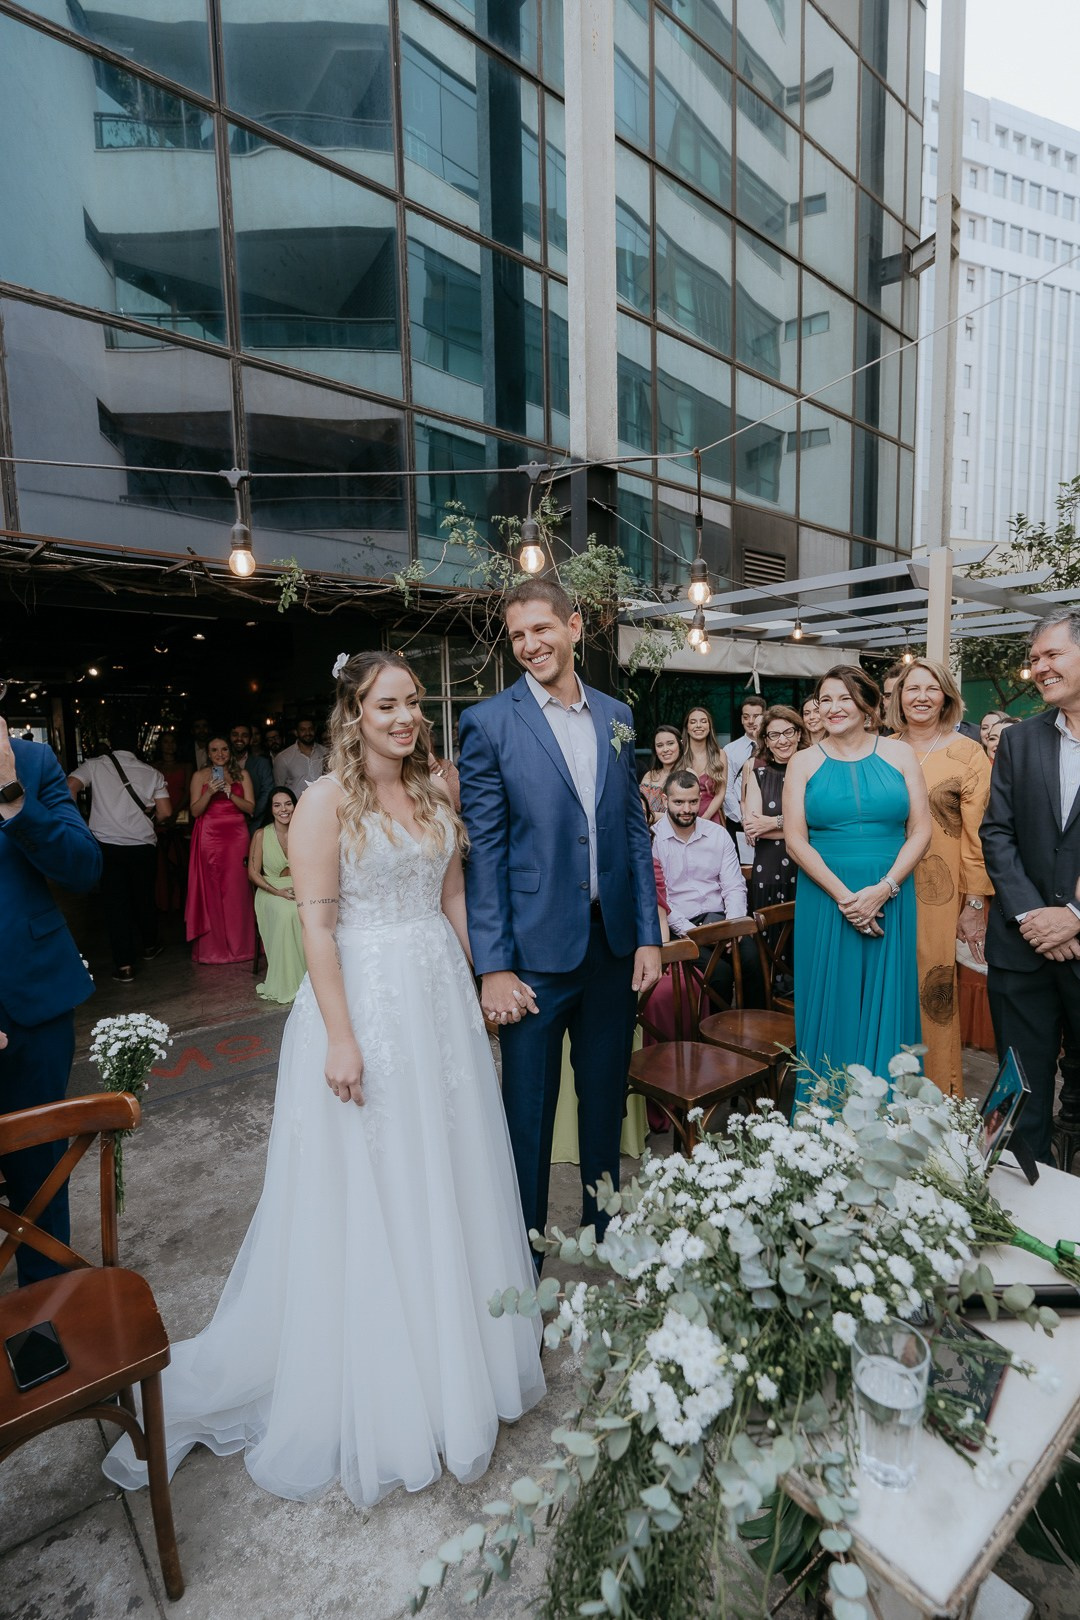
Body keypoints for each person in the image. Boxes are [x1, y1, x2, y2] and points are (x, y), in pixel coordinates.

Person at [103, 651, 544, 1504]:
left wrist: (482, 976)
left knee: (448, 1172)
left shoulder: (432, 792)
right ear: (353, 713)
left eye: (413, 703)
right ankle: (391, 1381)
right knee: (373, 1187)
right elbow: (317, 929)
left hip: (438, 1007)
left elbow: (454, 897)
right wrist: (342, 1038)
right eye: (387, 705)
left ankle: (461, 1361)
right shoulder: (322, 803)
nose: (405, 718)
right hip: (366, 1007)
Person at [457, 579, 661, 1246]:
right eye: (517, 636)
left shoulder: (616, 715)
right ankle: (527, 1257)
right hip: (533, 960)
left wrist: (648, 937)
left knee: (603, 1101)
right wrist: (493, 966)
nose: (529, 645)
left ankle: (603, 1230)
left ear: (575, 627)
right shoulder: (488, 723)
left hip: (612, 948)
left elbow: (634, 830)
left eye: (541, 629)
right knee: (529, 1116)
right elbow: (483, 856)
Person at [784, 665, 931, 1106]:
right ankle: (826, 1119)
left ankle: (890, 1118)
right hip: (827, 900)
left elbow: (921, 830)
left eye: (844, 698)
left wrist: (883, 889)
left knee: (890, 1004)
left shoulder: (901, 754)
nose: (833, 708)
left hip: (892, 896)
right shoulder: (803, 761)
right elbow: (795, 840)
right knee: (833, 1005)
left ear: (868, 705)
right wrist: (847, 899)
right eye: (825, 700)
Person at [1, 716, 101, 1287]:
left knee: (38, 1170)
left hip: (31, 1001)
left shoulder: (32, 764)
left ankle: (44, 1315)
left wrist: (12, 798)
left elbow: (83, 868)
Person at [980, 607, 1080, 1165]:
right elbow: (997, 833)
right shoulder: (1020, 742)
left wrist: (1076, 915)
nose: (1039, 668)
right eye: (1034, 659)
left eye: (1052, 654)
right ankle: (1025, 1225)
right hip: (1023, 949)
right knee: (1023, 1100)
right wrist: (1032, 916)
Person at [886, 659, 993, 1097]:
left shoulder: (967, 752)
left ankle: (939, 1094)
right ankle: (886, 1092)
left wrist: (974, 903)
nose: (922, 697)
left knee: (935, 991)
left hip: (942, 896)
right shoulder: (882, 749)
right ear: (898, 697)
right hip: (885, 889)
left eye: (932, 689)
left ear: (947, 696)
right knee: (891, 988)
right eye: (912, 689)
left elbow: (980, 836)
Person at [67, 726, 172, 984]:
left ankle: (124, 965)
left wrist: (79, 820)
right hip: (143, 844)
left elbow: (68, 787)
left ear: (110, 744)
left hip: (107, 844)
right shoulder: (152, 773)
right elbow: (166, 813)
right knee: (143, 897)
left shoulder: (93, 766)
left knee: (116, 904)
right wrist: (150, 815)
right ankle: (149, 945)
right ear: (136, 745)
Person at [652, 770, 762, 1006]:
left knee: (752, 960)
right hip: (679, 927)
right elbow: (661, 900)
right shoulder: (653, 840)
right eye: (678, 802)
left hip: (720, 920)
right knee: (719, 976)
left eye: (693, 802)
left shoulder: (717, 834)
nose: (687, 809)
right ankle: (711, 1039)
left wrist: (733, 927)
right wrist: (695, 933)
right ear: (664, 801)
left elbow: (733, 885)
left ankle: (756, 1036)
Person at [185, 737, 256, 965]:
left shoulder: (242, 775)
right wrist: (209, 793)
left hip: (236, 835)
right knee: (212, 889)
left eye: (224, 749)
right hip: (210, 836)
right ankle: (213, 950)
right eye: (214, 750)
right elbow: (194, 811)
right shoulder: (199, 776)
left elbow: (251, 808)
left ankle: (241, 947)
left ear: (230, 751)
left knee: (237, 890)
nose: (220, 753)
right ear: (208, 753)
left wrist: (229, 793)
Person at [743, 706, 808, 914]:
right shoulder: (758, 775)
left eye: (788, 732)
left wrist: (773, 822)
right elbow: (754, 828)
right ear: (767, 741)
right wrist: (796, 825)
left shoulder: (813, 773)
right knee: (768, 940)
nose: (783, 740)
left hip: (807, 868)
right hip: (768, 868)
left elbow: (816, 823)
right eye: (774, 735)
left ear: (798, 734)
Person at [249, 788, 306, 1005]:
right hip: (270, 890)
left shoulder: (304, 831)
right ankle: (291, 982)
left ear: (295, 805)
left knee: (317, 911)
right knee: (287, 913)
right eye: (277, 805)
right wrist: (277, 892)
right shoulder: (262, 834)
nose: (284, 809)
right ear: (271, 809)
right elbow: (253, 873)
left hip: (302, 888)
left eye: (288, 803)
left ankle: (316, 980)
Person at [721, 695, 766, 837]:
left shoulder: (774, 747)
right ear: (741, 719)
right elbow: (727, 790)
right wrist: (744, 819)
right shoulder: (730, 750)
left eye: (756, 716)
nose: (751, 721)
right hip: (738, 819)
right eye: (746, 717)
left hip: (768, 817)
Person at [680, 706, 728, 824]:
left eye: (703, 721)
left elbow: (721, 794)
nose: (698, 725)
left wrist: (703, 820)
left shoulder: (720, 754)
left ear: (709, 726)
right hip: (683, 818)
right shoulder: (679, 754)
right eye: (693, 722)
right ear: (687, 727)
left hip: (711, 818)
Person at [230, 722, 274, 828]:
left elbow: (267, 792)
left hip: (254, 822)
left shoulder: (262, 763)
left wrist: (251, 814)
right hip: (226, 820)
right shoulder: (220, 764)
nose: (239, 739)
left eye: (244, 736)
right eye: (235, 735)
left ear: (250, 740)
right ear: (229, 737)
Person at [273, 716, 328, 797]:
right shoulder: (283, 757)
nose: (308, 733)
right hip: (297, 806)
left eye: (311, 729)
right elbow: (279, 788)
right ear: (296, 732)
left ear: (315, 730)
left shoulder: (326, 753)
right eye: (303, 730)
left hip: (323, 802)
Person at [638, 724, 682, 819]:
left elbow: (683, 814)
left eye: (670, 743)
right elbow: (639, 808)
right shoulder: (650, 775)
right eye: (660, 745)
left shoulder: (687, 774)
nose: (665, 749)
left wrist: (651, 816)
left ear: (680, 745)